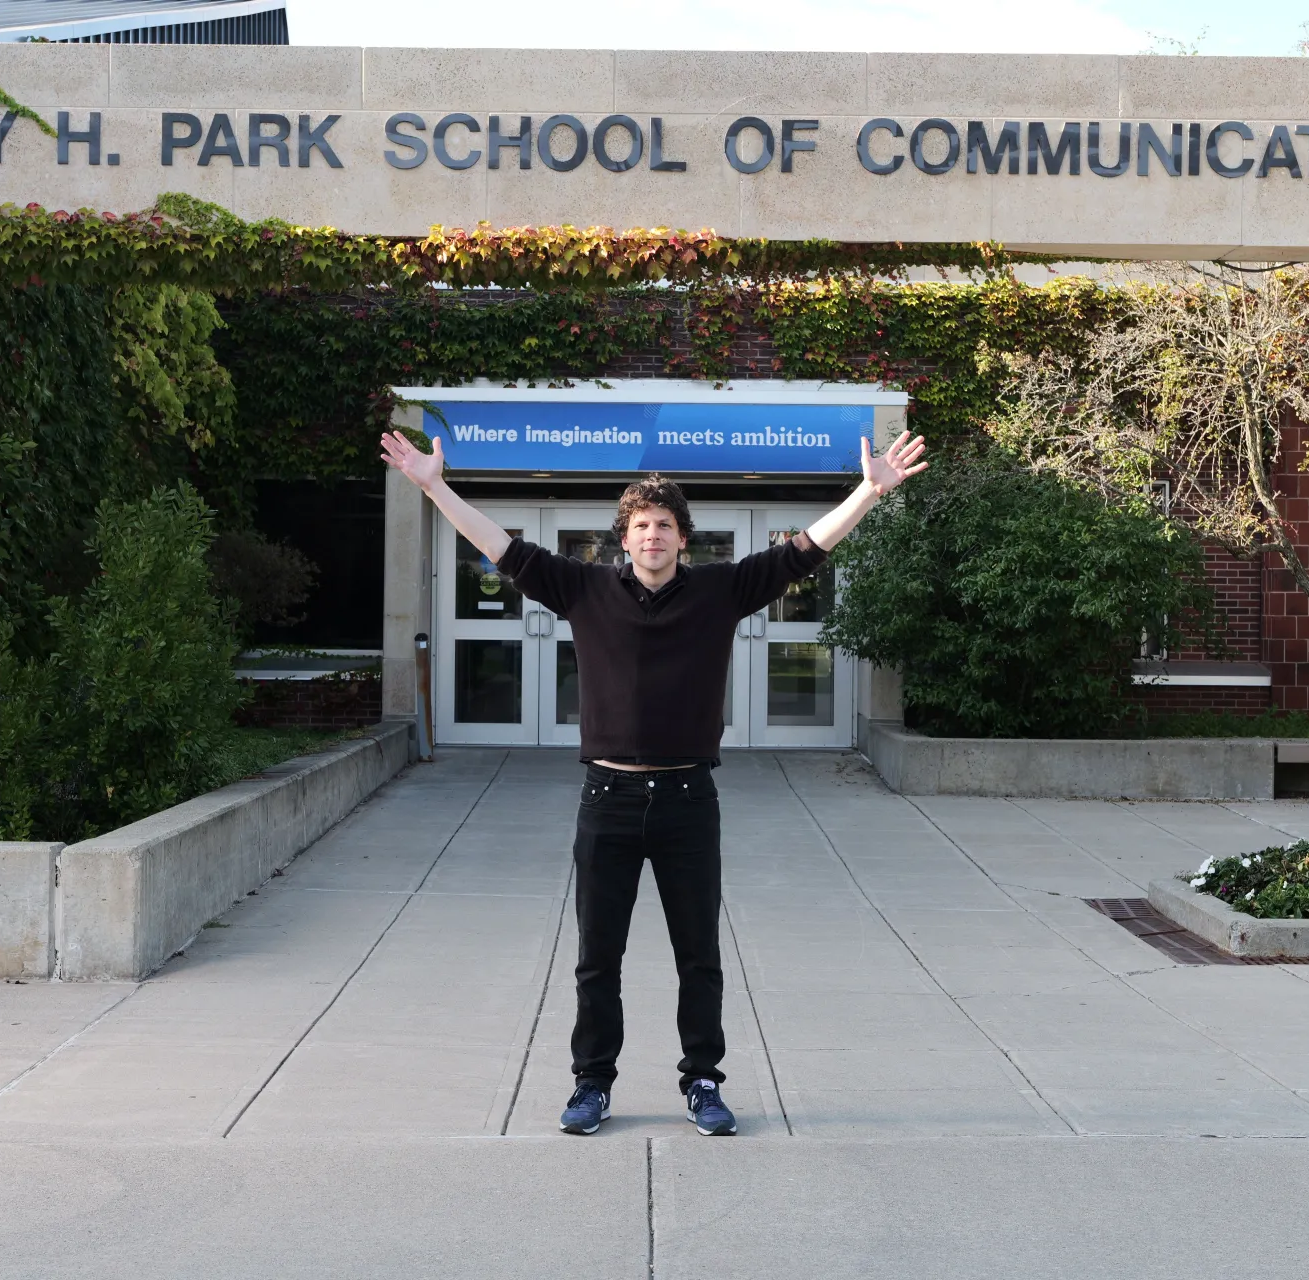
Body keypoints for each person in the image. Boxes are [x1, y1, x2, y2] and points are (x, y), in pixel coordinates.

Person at [379, 426, 927, 1136]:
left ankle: (703, 1081)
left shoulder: (720, 591)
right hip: (606, 800)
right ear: (625, 538)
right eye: (641, 526)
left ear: (682, 539)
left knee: (698, 955)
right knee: (595, 958)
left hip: (687, 801)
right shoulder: (583, 590)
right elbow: (501, 548)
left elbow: (805, 551)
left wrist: (868, 491)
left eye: (665, 525)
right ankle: (591, 1085)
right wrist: (433, 487)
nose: (653, 536)